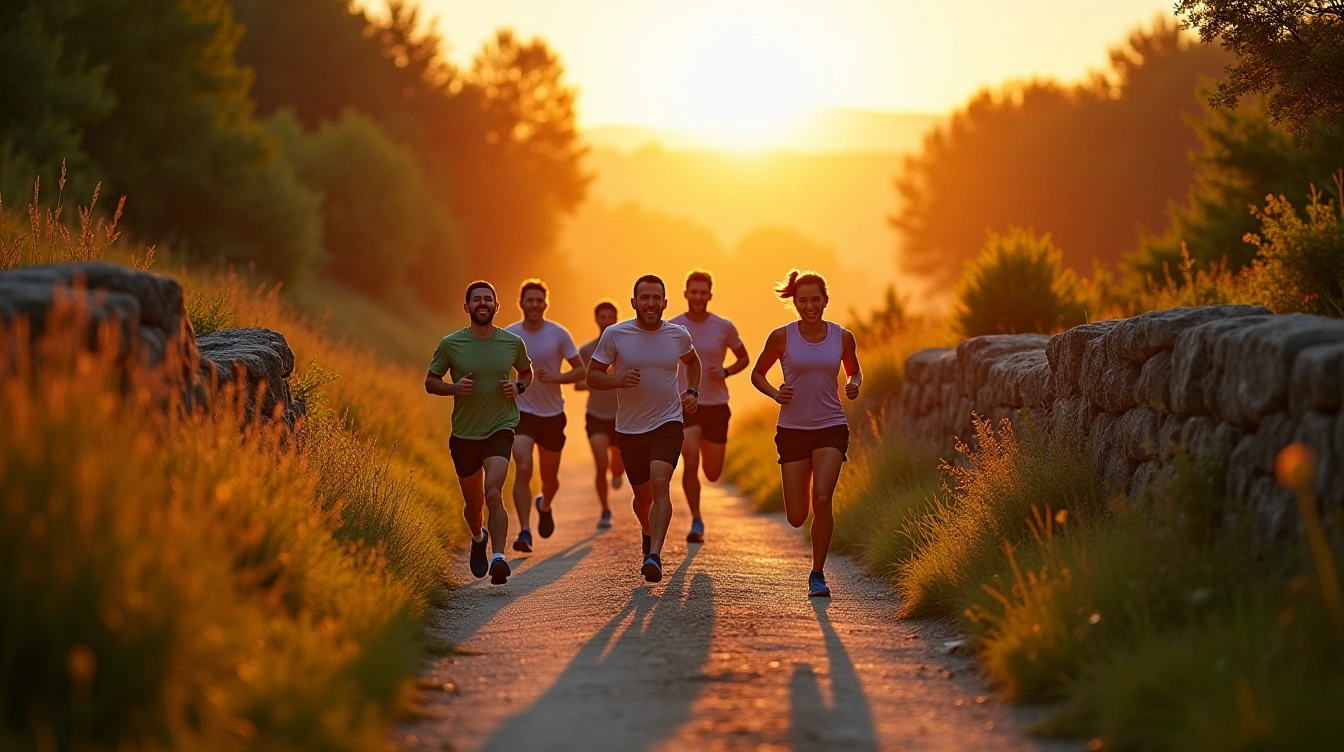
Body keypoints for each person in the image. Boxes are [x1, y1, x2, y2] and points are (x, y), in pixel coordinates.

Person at [750, 270, 861, 598]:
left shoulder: (842, 337)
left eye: (816, 299)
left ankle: (817, 574)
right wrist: (774, 393)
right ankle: (810, 541)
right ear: (794, 303)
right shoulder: (781, 337)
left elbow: (855, 371)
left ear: (826, 300)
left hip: (831, 426)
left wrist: (854, 385)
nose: (810, 306)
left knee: (823, 498)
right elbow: (757, 374)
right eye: (803, 300)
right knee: (797, 516)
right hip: (792, 430)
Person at [587, 275, 702, 583]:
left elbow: (693, 362)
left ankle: (654, 554)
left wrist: (692, 392)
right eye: (645, 298)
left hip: (668, 422)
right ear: (634, 302)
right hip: (630, 428)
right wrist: (617, 380)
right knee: (642, 498)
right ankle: (647, 530)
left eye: (656, 298)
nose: (651, 303)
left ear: (665, 303)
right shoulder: (615, 334)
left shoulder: (678, 335)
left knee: (660, 482)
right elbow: (593, 376)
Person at [425, 281, 534, 585]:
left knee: (493, 492)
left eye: (488, 299)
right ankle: (478, 536)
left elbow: (526, 371)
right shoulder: (451, 344)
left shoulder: (512, 343)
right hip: (464, 434)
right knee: (474, 506)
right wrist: (454, 388)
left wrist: (519, 387)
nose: (482, 303)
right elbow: (430, 381)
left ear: (497, 306)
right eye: (477, 300)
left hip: (501, 427)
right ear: (467, 307)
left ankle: (499, 557)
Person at [505, 279, 585, 553]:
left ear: (546, 303)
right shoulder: (510, 335)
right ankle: (525, 531)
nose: (536, 305)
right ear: (521, 303)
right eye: (531, 300)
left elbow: (581, 370)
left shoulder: (559, 334)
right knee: (524, 467)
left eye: (540, 300)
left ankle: (545, 504)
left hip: (552, 414)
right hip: (522, 412)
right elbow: (497, 368)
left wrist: (559, 377)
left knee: (549, 480)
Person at [671, 269, 749, 544]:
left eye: (703, 292)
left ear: (710, 295)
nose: (698, 296)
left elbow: (744, 358)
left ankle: (707, 473)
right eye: (694, 291)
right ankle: (696, 519)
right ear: (686, 294)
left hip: (717, 404)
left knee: (713, 473)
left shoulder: (723, 326)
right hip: (686, 402)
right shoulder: (673, 327)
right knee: (690, 458)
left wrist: (726, 371)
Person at [576, 299, 626, 529]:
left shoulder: (625, 347)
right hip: (596, 413)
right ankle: (605, 510)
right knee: (600, 462)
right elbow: (578, 382)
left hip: (620, 415)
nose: (606, 321)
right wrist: (599, 381)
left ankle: (618, 472)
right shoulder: (587, 351)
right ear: (596, 320)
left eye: (610, 317)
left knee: (617, 465)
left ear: (616, 319)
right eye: (602, 317)